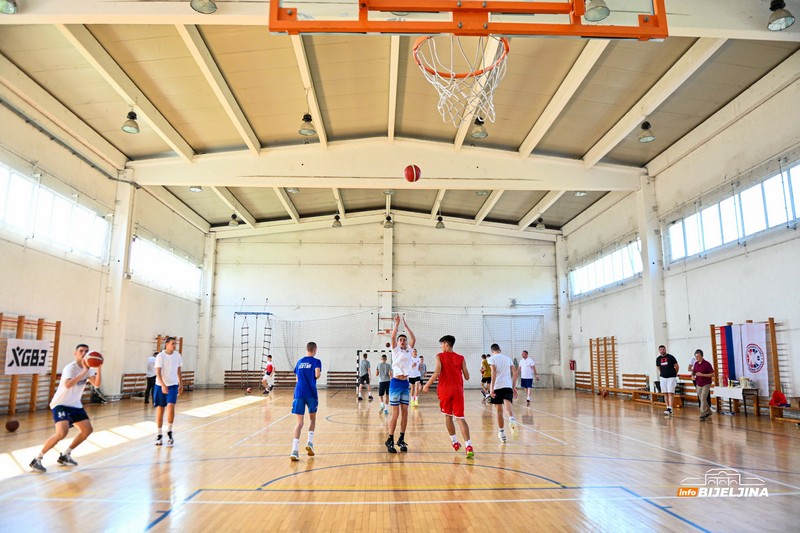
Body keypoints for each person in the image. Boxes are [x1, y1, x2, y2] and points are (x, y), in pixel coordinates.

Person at [30, 344, 101, 473]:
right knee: (62, 433)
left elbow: (96, 384)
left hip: (75, 404)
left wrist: (98, 368)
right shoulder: (70, 368)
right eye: (81, 351)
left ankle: (65, 455)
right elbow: (68, 385)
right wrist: (84, 372)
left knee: (87, 430)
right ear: (75, 353)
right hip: (60, 404)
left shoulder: (89, 369)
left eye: (86, 351)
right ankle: (37, 459)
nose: (83, 353)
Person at [423, 334, 474, 459]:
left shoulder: (439, 356)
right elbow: (467, 377)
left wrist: (426, 385)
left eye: (442, 344)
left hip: (445, 390)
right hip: (457, 391)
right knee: (460, 418)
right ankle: (468, 445)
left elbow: (437, 373)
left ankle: (455, 442)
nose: (441, 346)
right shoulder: (461, 358)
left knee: (448, 416)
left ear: (446, 344)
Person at [386, 315, 415, 453]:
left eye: (404, 340)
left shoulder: (409, 350)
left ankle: (401, 439)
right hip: (396, 383)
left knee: (405, 413)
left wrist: (406, 325)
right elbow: (392, 337)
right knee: (395, 414)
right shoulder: (395, 350)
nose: (403, 341)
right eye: (401, 340)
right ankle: (390, 439)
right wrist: (397, 324)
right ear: (398, 343)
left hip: (405, 384)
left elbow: (413, 339)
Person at [291, 342, 322, 461]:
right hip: (311, 393)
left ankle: (294, 451)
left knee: (299, 423)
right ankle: (310, 442)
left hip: (299, 393)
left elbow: (297, 379)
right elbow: (317, 374)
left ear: (307, 349)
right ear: (315, 349)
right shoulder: (316, 361)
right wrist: (316, 375)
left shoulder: (299, 362)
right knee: (312, 419)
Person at [154, 336, 183, 447]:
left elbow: (178, 370)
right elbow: (158, 372)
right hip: (160, 385)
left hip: (173, 385)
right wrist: (162, 385)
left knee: (171, 406)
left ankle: (170, 432)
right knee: (160, 409)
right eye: (172, 343)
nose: (174, 345)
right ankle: (159, 434)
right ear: (166, 344)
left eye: (175, 344)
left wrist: (181, 383)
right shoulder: (160, 356)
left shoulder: (177, 356)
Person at [488, 344, 518, 442]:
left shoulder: (491, 359)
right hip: (507, 386)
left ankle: (502, 433)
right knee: (508, 408)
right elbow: (515, 373)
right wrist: (513, 387)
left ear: (492, 351)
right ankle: (512, 419)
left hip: (497, 387)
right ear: (500, 350)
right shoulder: (508, 359)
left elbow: (493, 371)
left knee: (499, 411)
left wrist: (491, 388)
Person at [656, 344, 679, 417]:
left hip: (671, 377)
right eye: (661, 350)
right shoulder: (658, 359)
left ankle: (671, 408)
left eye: (663, 349)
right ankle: (667, 407)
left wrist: (674, 374)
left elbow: (676, 366)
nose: (662, 351)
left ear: (665, 349)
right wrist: (663, 373)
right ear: (659, 351)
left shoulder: (670, 357)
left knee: (670, 393)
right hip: (663, 378)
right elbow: (658, 367)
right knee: (665, 393)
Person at [692, 349, 715, 421]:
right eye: (696, 357)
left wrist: (703, 375)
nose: (697, 358)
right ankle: (709, 411)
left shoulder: (707, 364)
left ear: (702, 356)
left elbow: (713, 374)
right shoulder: (696, 364)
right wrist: (692, 376)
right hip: (698, 383)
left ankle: (702, 414)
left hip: (706, 383)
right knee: (702, 399)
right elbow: (693, 371)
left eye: (698, 356)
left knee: (703, 398)